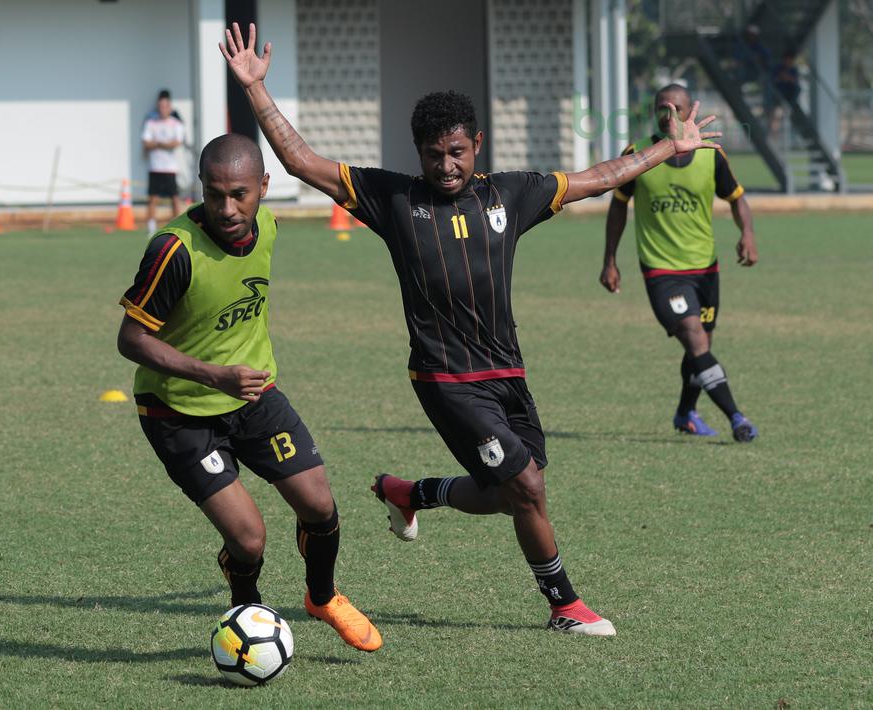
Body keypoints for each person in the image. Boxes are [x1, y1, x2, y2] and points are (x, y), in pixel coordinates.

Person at [222, 22, 723, 636]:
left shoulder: (510, 195)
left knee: (509, 492)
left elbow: (598, 176)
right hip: (445, 379)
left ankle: (411, 493)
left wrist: (667, 150)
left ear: (476, 144)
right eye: (434, 154)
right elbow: (301, 162)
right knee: (528, 487)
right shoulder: (393, 200)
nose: (447, 165)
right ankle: (565, 606)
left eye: (457, 151)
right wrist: (256, 90)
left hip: (507, 372)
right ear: (418, 152)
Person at [116, 133, 382, 652]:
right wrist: (213, 374)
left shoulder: (269, 229)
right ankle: (249, 611)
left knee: (320, 507)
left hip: (255, 395)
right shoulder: (173, 251)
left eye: (239, 193)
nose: (227, 208)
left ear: (263, 187)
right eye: (214, 194)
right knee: (248, 538)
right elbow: (130, 339)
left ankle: (322, 597)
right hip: (178, 413)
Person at [602, 84, 759, 442]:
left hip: (705, 267)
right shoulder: (638, 154)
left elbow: (737, 199)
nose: (668, 112)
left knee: (699, 344)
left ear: (691, 111)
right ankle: (737, 417)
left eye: (676, 106)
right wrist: (610, 259)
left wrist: (747, 233)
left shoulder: (711, 155)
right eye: (661, 106)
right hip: (661, 270)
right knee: (694, 337)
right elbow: (617, 207)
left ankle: (686, 413)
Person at [141, 94, 186, 233]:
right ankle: (151, 228)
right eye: (160, 106)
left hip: (170, 168)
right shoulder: (151, 123)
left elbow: (176, 142)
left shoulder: (176, 124)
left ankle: (178, 226)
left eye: (165, 106)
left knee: (174, 198)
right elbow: (146, 143)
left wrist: (158, 143)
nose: (163, 109)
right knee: (152, 198)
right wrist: (163, 144)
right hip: (155, 167)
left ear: (170, 107)